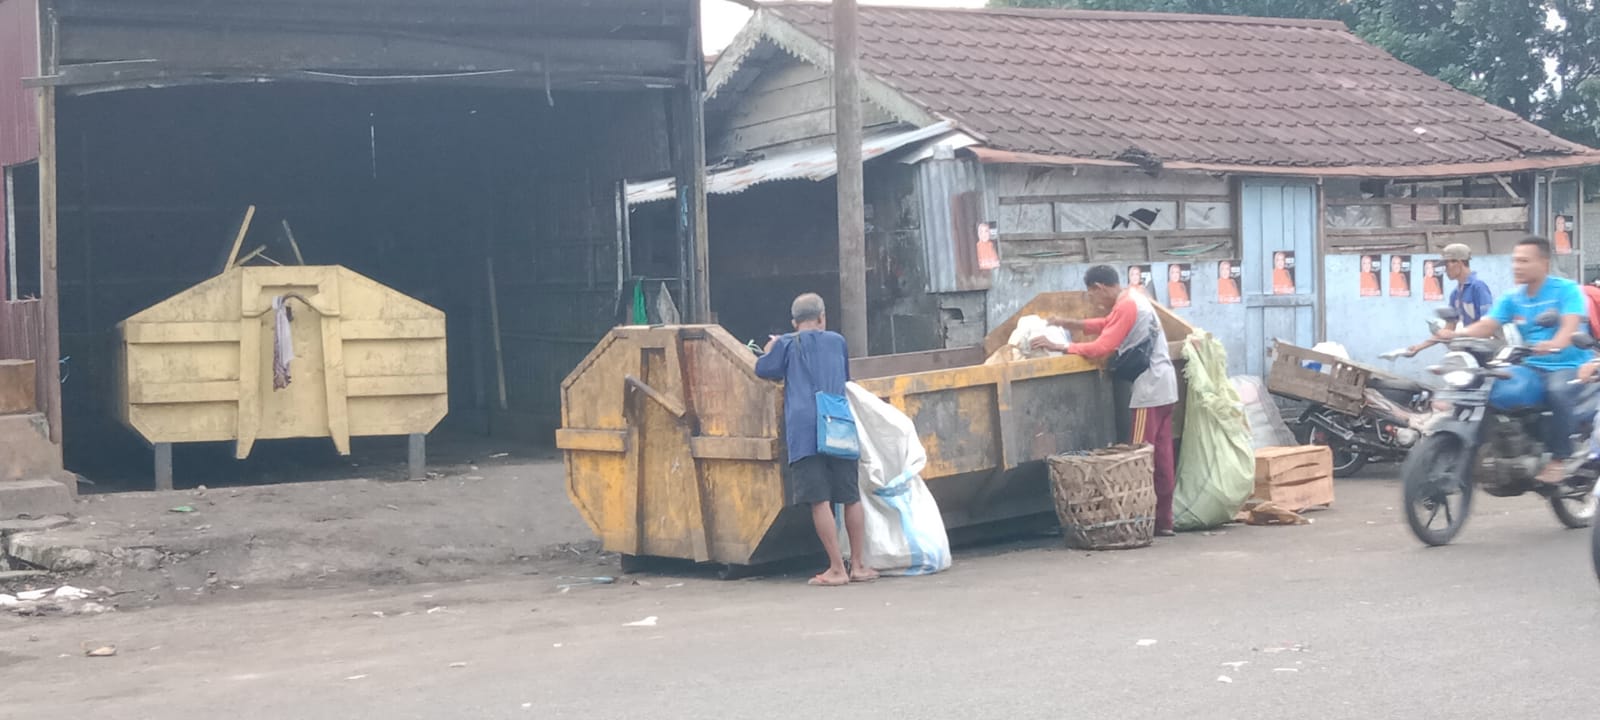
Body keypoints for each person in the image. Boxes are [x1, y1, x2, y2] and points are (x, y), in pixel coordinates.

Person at [1031, 265, 1180, 536]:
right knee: (1161, 456)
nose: (1095, 302)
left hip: (1149, 388)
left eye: (1092, 295)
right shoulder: (1133, 299)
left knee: (1138, 457)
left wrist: (1061, 346)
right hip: (1165, 385)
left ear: (1100, 287)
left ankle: (1139, 520)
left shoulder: (1126, 306)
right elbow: (1108, 325)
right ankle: (1163, 520)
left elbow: (1102, 347)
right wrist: (1067, 323)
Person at [1440, 236, 1589, 484]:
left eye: (1524, 261)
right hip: (1530, 365)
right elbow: (1488, 324)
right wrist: (1455, 334)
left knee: (1557, 391)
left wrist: (1554, 344)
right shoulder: (1513, 297)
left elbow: (1569, 327)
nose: (1516, 267)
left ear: (1544, 263)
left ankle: (1560, 457)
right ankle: (1499, 446)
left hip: (1568, 365)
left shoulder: (1566, 290)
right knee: (1491, 385)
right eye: (1514, 261)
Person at [754, 293, 877, 586]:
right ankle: (858, 565)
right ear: (822, 318)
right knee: (850, 496)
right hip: (837, 423)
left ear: (794, 323)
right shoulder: (838, 341)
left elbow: (762, 369)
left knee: (819, 499)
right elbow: (844, 376)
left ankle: (836, 568)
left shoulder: (786, 343)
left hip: (806, 428)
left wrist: (771, 346)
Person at [1395, 244, 1494, 357]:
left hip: (1484, 351)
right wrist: (1419, 347)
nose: (1445, 270)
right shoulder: (1455, 294)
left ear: (1459, 262)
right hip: (1467, 351)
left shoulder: (1478, 287)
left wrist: (1456, 334)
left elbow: (1488, 326)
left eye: (1447, 265)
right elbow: (1449, 327)